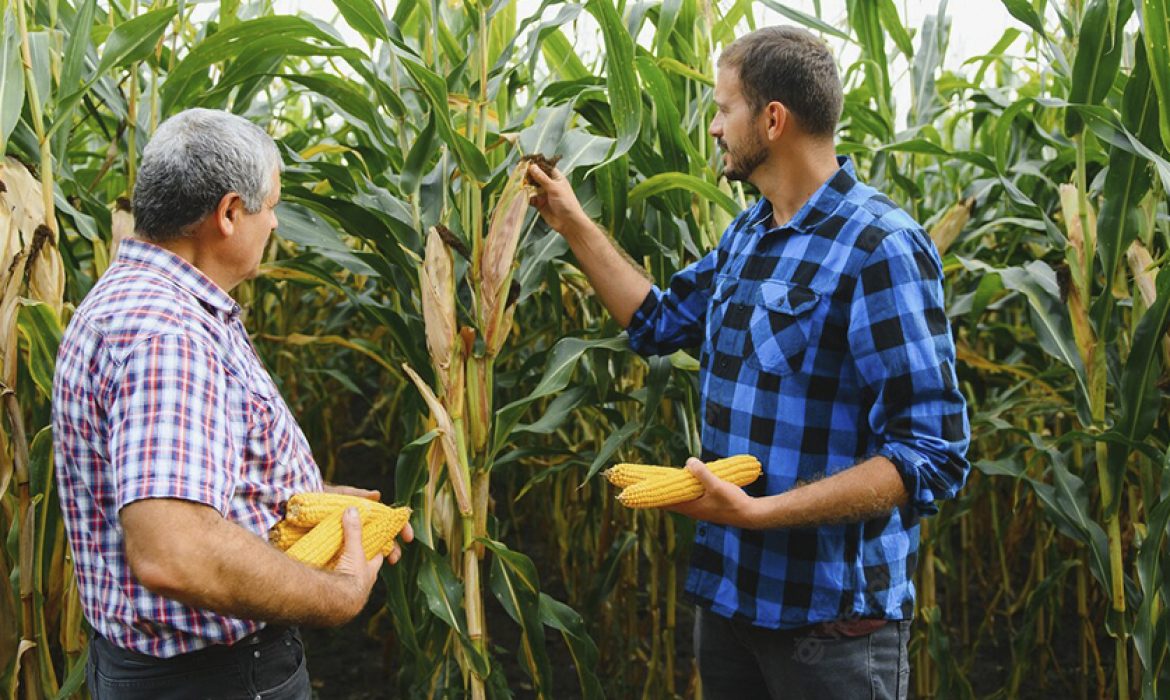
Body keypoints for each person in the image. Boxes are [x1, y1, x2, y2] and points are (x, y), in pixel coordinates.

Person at [528, 26, 969, 700]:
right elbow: (657, 322)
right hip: (731, 599)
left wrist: (763, 513)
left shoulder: (881, 246)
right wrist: (571, 222)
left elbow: (931, 453)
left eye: (721, 108)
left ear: (773, 119)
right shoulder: (750, 234)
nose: (711, 127)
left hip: (829, 625)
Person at [52, 107, 413, 699]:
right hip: (212, 681)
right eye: (270, 206)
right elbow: (175, 552)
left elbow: (178, 490)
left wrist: (287, 506)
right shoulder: (167, 334)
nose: (274, 224)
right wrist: (340, 592)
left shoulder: (134, 299)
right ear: (228, 213)